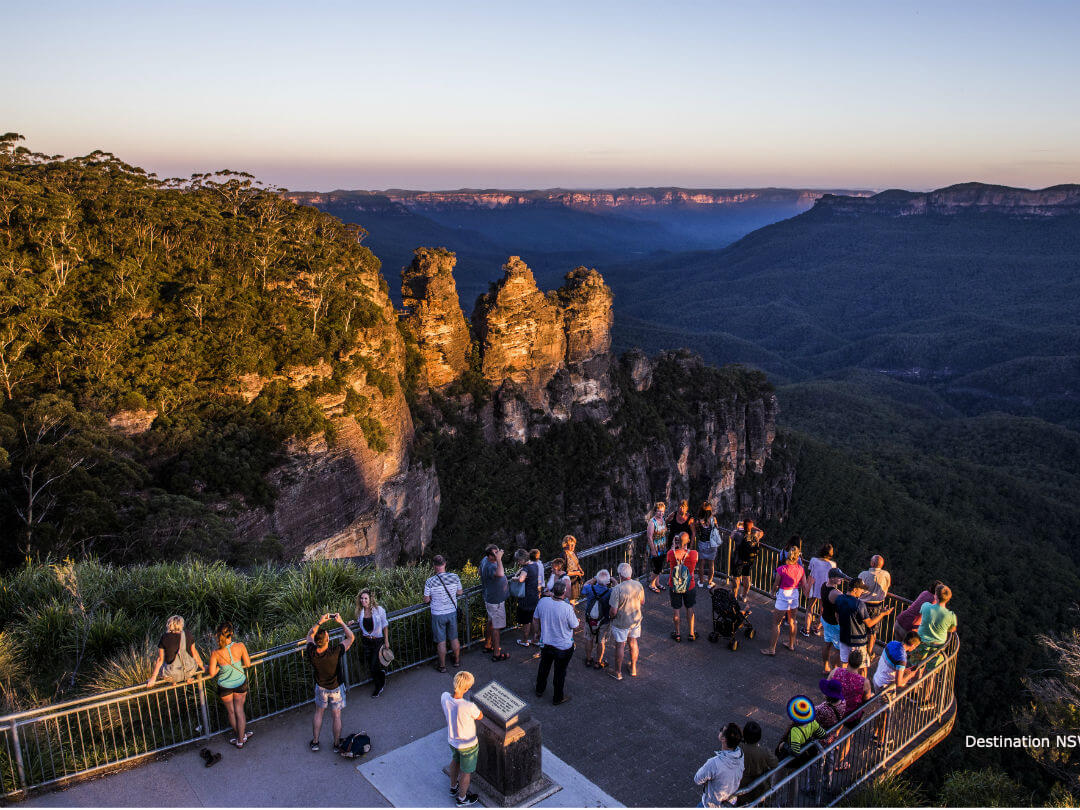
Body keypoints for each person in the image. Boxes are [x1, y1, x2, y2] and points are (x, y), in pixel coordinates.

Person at [305, 612, 355, 751]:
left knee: (319, 713)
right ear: (327, 640)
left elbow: (309, 635)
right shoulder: (336, 651)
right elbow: (351, 637)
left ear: (316, 642)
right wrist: (341, 622)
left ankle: (315, 742)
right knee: (336, 716)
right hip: (336, 688)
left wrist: (320, 622)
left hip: (321, 687)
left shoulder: (312, 652)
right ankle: (336, 744)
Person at [828, 579, 893, 671]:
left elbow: (836, 615)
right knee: (862, 667)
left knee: (844, 663)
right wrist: (882, 614)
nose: (862, 591)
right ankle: (859, 684)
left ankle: (842, 682)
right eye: (861, 589)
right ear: (855, 589)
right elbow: (869, 623)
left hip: (844, 637)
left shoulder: (839, 599)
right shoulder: (859, 604)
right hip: (858, 640)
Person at [532, 581, 578, 705]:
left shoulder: (543, 602)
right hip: (563, 646)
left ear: (553, 591)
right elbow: (574, 625)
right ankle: (557, 697)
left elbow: (535, 619)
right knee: (560, 672)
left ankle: (539, 690)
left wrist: (537, 633)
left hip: (546, 643)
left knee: (544, 667)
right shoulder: (567, 608)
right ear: (563, 593)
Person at [208, 622, 252, 748]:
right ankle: (241, 739)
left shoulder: (216, 653)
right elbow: (248, 664)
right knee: (240, 711)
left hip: (224, 686)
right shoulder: (240, 646)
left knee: (231, 712)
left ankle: (240, 736)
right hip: (239, 682)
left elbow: (212, 673)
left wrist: (218, 668)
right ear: (231, 633)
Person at [442, 671, 482, 807]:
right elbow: (480, 716)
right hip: (468, 745)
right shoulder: (468, 706)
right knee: (466, 773)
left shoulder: (445, 697)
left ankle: (453, 787)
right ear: (466, 689)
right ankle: (462, 798)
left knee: (455, 761)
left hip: (453, 741)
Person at [828, 649, 872, 770]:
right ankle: (838, 763)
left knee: (833, 728)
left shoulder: (836, 672)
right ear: (860, 664)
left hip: (836, 709)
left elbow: (827, 686)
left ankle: (830, 742)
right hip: (851, 714)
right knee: (846, 739)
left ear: (847, 660)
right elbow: (866, 698)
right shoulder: (864, 682)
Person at [761, 545, 807, 656]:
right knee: (792, 621)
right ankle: (791, 644)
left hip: (783, 595)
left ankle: (772, 648)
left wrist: (772, 592)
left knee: (776, 623)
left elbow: (776, 584)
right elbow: (803, 584)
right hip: (794, 594)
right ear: (797, 558)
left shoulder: (782, 569)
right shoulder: (801, 569)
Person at [424, 555, 464, 673]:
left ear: (434, 566)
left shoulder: (430, 581)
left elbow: (426, 600)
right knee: (454, 638)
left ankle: (442, 666)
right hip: (452, 612)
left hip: (437, 614)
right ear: (445, 564)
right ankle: (456, 661)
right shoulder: (455, 577)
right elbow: (460, 592)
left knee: (441, 641)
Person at [608, 562, 645, 680]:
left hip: (621, 622)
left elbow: (613, 611)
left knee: (620, 645)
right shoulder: (638, 585)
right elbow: (642, 602)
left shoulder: (617, 589)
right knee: (633, 643)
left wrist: (611, 618)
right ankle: (633, 668)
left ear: (620, 575)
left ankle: (617, 672)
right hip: (635, 620)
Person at [694, 722, 745, 808]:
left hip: (713, 804)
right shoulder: (740, 754)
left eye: (722, 730)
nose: (720, 730)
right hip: (731, 800)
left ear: (723, 739)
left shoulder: (714, 763)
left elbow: (697, 779)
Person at [909, 584, 957, 673]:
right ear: (948, 599)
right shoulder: (951, 615)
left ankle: (913, 684)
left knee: (915, 667)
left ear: (935, 595)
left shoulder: (926, 606)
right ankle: (927, 686)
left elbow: (922, 615)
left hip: (922, 641)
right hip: (938, 645)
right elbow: (952, 629)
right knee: (930, 672)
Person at [147, 615, 205, 688]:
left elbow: (160, 660)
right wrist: (203, 666)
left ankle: (174, 681)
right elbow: (195, 653)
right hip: (190, 671)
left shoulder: (164, 637)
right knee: (189, 658)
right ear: (181, 624)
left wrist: (153, 678)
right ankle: (187, 678)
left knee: (163, 663)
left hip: (172, 676)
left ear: (169, 625)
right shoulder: (188, 634)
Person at [355, 589, 389, 697]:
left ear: (370, 600)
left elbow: (385, 625)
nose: (363, 600)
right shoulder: (360, 612)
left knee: (374, 664)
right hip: (366, 641)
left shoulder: (379, 610)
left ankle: (378, 687)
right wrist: (353, 622)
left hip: (377, 640)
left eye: (365, 598)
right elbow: (361, 623)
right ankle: (381, 675)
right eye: (361, 598)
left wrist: (387, 641)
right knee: (371, 664)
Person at [479, 544, 511, 662]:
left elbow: (479, 572)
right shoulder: (493, 566)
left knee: (491, 622)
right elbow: (500, 574)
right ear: (490, 556)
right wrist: (499, 560)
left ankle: (488, 645)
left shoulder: (484, 560)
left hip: (490, 597)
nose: (498, 554)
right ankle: (496, 653)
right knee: (496, 627)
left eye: (498, 552)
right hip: (496, 600)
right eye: (495, 554)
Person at [777, 696, 827, 767]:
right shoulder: (813, 722)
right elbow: (823, 734)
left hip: (791, 761)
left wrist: (784, 745)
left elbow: (795, 751)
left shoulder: (795, 730)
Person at [737, 721, 778, 805]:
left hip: (740, 787)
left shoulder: (738, 748)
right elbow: (775, 763)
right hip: (758, 789)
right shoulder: (764, 752)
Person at [667, 532, 699, 642]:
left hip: (674, 585)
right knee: (689, 608)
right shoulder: (694, 553)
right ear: (689, 541)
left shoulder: (671, 553)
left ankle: (678, 634)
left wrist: (673, 546)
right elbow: (696, 562)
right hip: (690, 585)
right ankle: (691, 633)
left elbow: (668, 561)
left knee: (676, 610)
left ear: (677, 541)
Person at [858, 555, 891, 653]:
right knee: (872, 631)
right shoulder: (886, 574)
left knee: (860, 628)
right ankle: (869, 652)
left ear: (872, 563)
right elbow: (888, 585)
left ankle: (859, 650)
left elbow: (858, 588)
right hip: (877, 605)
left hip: (862, 604)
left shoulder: (863, 574)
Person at [581, 569, 613, 668]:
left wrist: (594, 579)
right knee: (601, 641)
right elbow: (618, 590)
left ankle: (588, 659)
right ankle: (598, 662)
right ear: (607, 582)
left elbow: (584, 586)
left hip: (590, 620)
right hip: (603, 621)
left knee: (589, 639)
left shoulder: (590, 588)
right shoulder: (610, 591)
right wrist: (614, 580)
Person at [803, 544, 835, 638]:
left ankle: (806, 630)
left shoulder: (814, 560)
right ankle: (817, 627)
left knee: (809, 608)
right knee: (823, 610)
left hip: (814, 587)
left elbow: (810, 570)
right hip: (825, 589)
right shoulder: (832, 565)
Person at [515, 549, 544, 648]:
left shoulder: (526, 569)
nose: (518, 562)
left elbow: (521, 579)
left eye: (518, 560)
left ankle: (524, 640)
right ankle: (536, 639)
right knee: (534, 618)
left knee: (526, 621)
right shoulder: (535, 565)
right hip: (535, 595)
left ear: (522, 559)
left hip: (526, 597)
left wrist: (514, 578)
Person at [819, 568, 845, 674]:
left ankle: (826, 667)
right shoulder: (836, 593)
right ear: (833, 578)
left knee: (827, 644)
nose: (841, 579)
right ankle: (834, 672)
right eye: (839, 577)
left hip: (825, 618)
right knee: (839, 650)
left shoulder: (824, 585)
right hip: (834, 624)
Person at [731, 518, 764, 602]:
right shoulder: (755, 536)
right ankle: (744, 596)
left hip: (738, 560)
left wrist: (737, 527)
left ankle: (734, 596)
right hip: (748, 560)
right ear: (751, 527)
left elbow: (732, 535)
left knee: (736, 578)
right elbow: (761, 532)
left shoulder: (738, 534)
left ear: (743, 526)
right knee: (746, 577)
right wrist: (753, 527)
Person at [696, 502, 722, 587]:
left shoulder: (699, 521)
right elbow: (716, 529)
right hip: (712, 544)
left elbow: (697, 531)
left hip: (702, 543)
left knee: (701, 564)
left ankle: (701, 582)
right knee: (711, 564)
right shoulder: (713, 519)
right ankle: (710, 583)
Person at [646, 502, 668, 593]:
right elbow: (649, 537)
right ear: (655, 511)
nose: (661, 513)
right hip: (655, 547)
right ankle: (652, 584)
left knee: (660, 566)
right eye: (659, 511)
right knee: (657, 567)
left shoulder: (663, 519)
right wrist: (653, 550)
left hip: (662, 546)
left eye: (662, 511)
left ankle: (657, 583)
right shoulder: (652, 522)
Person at [562, 536, 585, 604]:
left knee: (573, 600)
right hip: (568, 580)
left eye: (573, 545)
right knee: (570, 601)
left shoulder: (574, 552)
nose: (573, 546)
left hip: (575, 580)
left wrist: (580, 569)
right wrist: (577, 573)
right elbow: (564, 572)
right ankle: (570, 613)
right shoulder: (564, 555)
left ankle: (571, 612)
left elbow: (576, 563)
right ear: (565, 545)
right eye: (570, 545)